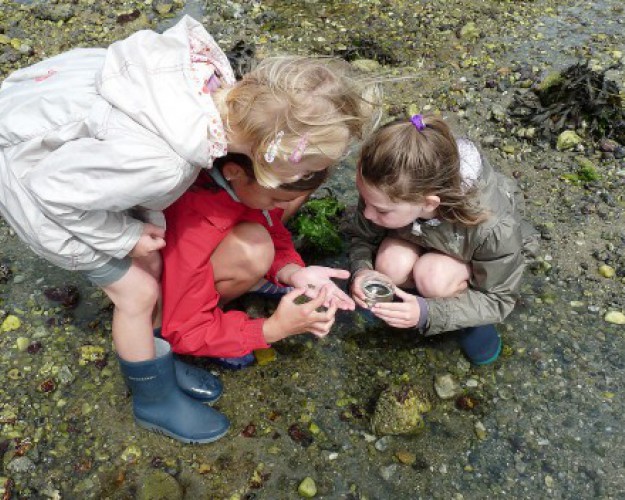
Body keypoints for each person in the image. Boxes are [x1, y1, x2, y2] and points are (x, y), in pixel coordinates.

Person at [0, 15, 378, 444]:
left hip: (45, 106)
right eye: (303, 173)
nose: (302, 186)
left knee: (151, 260)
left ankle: (153, 347)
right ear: (263, 162)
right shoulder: (162, 165)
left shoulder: (214, 87)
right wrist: (123, 238)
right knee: (136, 292)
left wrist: (292, 270)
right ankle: (153, 399)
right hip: (32, 185)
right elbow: (52, 191)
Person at [348, 113, 533, 366]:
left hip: (461, 256)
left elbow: (498, 297)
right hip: (415, 234)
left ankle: (465, 323)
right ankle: (400, 303)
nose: (368, 213)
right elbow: (362, 237)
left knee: (433, 276)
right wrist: (362, 272)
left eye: (380, 210)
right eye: (364, 200)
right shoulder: (381, 189)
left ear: (428, 203)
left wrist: (429, 314)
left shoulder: (494, 229)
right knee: (391, 264)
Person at [160, 153, 355, 369]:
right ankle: (214, 323)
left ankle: (231, 309)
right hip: (173, 294)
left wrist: (291, 272)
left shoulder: (244, 187)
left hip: (202, 254)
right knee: (253, 247)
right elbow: (184, 331)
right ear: (234, 172)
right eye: (275, 199)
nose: (277, 207)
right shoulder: (194, 226)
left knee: (260, 235)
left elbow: (270, 225)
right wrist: (272, 329)